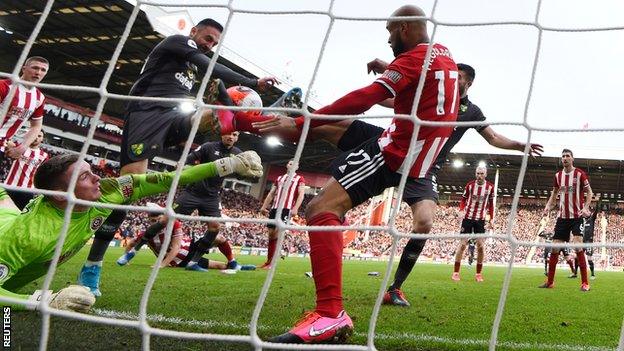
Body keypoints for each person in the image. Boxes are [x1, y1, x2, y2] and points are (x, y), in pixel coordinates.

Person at [240, 62, 542, 307]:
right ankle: (249, 119)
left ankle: (395, 288)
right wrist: (387, 75)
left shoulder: (470, 112)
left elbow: (491, 137)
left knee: (424, 224)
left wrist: (519, 145)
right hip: (390, 145)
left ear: (467, 84)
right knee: (328, 127)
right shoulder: (429, 96)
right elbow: (391, 95)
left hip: (422, 169)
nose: (454, 81)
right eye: (452, 76)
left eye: (459, 78)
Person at [266, 4, 461, 343]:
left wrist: (303, 120)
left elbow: (367, 97)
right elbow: (421, 86)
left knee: (320, 209)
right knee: (331, 134)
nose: (387, 40)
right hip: (418, 160)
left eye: (389, 32)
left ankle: (330, 315)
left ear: (402, 29)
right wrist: (391, 69)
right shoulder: (444, 57)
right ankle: (271, 123)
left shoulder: (414, 60)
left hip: (395, 151)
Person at [78, 17, 278, 296]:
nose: (210, 46)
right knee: (128, 190)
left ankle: (243, 128)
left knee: (221, 119)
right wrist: (250, 81)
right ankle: (92, 265)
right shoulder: (178, 42)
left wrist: (235, 105)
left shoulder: (193, 67)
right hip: (146, 115)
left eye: (215, 43)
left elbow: (215, 80)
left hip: (173, 119)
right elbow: (211, 66)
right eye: (207, 39)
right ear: (194, 31)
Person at [0, 150, 263, 311]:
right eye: (84, 177)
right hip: (7, 236)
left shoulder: (108, 192)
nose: (98, 179)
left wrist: (227, 165)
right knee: (6, 334)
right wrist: (42, 300)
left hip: (7, 213)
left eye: (91, 172)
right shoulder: (28, 236)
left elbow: (167, 179)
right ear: (60, 195)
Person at [117, 132, 255, 271]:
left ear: (237, 138)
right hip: (192, 192)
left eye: (235, 135)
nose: (230, 137)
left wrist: (248, 175)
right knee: (165, 219)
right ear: (222, 135)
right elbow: (188, 160)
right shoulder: (208, 147)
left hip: (212, 196)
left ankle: (193, 263)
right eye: (228, 134)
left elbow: (241, 175)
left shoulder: (238, 154)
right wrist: (183, 166)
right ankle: (133, 252)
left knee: (215, 227)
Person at [117, 204, 231, 270]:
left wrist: (161, 265)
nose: (155, 223)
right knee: (219, 266)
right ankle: (231, 267)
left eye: (157, 220)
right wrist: (125, 258)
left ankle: (233, 261)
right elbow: (132, 243)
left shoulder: (173, 224)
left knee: (219, 238)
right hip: (179, 262)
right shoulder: (147, 234)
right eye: (152, 221)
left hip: (190, 247)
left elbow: (176, 247)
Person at [540, 149, 593, 291]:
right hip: (562, 218)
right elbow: (554, 193)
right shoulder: (557, 176)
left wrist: (586, 207)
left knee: (578, 246)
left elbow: (590, 193)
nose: (565, 158)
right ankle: (550, 282)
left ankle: (585, 283)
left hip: (577, 217)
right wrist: (548, 206)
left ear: (572, 159)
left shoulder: (580, 174)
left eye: (567, 156)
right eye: (563, 156)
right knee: (555, 248)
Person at [258, 160, 306, 269]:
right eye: (290, 163)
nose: (292, 165)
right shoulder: (280, 178)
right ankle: (268, 262)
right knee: (271, 234)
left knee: (276, 233)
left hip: (286, 209)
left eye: (294, 164)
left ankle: (272, 263)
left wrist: (295, 208)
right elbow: (271, 193)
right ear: (287, 165)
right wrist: (263, 207)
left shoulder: (299, 179)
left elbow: (301, 195)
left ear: (297, 167)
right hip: (275, 208)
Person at [451, 165, 494, 282]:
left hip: (480, 220)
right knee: (463, 245)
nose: (479, 176)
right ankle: (455, 272)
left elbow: (491, 204)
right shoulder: (470, 186)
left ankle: (478, 274)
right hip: (468, 218)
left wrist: (491, 219)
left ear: (486, 174)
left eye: (481, 174)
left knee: (480, 246)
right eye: (477, 173)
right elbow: (463, 199)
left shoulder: (490, 187)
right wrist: (461, 210)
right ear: (475, 174)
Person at [0, 56, 48, 160]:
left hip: (2, 147)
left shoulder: (39, 98)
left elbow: (36, 126)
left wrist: (23, 147)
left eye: (43, 70)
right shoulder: (4, 86)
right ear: (23, 69)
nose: (38, 72)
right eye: (35, 68)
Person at [3, 130, 48, 209]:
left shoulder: (44, 156)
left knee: (19, 215)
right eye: (35, 135)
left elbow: (43, 174)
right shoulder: (18, 147)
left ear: (42, 139)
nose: (36, 138)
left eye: (39, 136)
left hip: (27, 191)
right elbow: (4, 140)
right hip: (9, 186)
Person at [572, 207, 597, 280]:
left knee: (589, 259)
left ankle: (592, 274)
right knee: (577, 257)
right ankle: (575, 273)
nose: (587, 212)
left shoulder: (592, 219)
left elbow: (596, 211)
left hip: (589, 242)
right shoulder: (581, 220)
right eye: (586, 211)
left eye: (588, 211)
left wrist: (598, 202)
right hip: (581, 242)